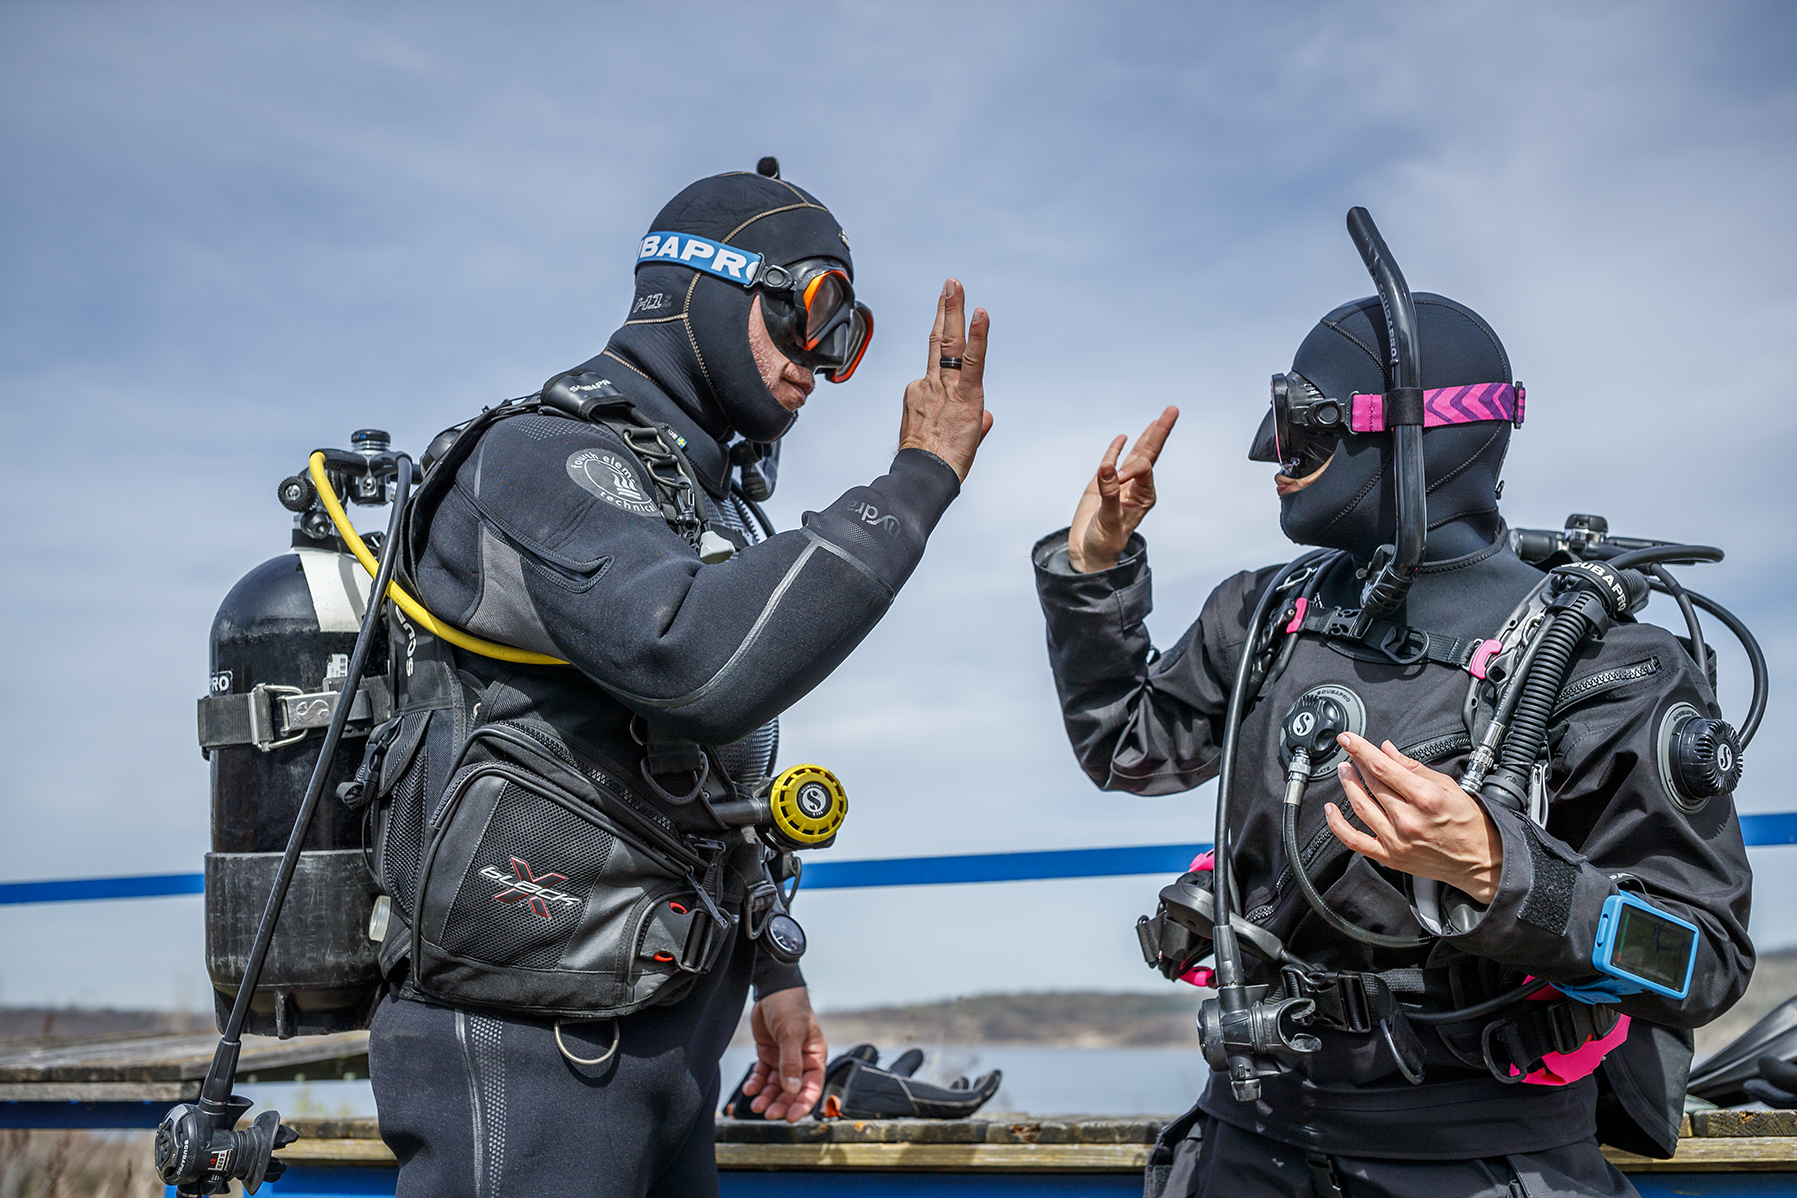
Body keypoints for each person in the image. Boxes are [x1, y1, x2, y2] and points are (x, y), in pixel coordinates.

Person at [1032, 272, 1753, 1196]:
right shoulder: (1263, 613)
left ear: (1408, 433)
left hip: (1478, 1152)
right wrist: (1093, 574)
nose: (1270, 455)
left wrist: (1502, 874)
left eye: (1300, 426)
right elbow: (1126, 747)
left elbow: (1703, 960)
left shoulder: (1610, 667)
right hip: (1250, 1131)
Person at [363, 160, 992, 1197]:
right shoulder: (540, 457)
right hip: (529, 1053)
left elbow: (704, 774)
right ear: (702, 284)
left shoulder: (695, 506)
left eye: (849, 336)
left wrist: (775, 971)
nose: (823, 363)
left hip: (663, 1048)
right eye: (814, 311)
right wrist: (917, 480)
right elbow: (692, 663)